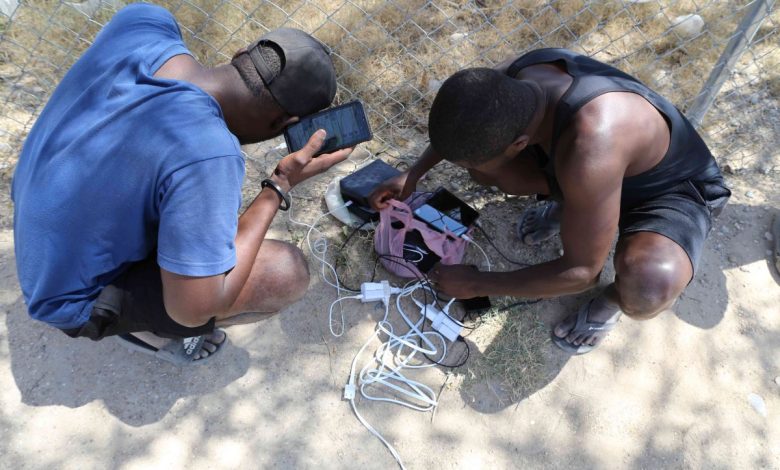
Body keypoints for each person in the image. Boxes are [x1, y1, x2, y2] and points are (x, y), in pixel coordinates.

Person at [11, 4, 352, 364]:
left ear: (240, 54)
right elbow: (194, 308)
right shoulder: (207, 151)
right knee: (284, 272)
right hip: (66, 297)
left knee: (184, 212)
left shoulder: (143, 21)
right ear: (285, 122)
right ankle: (146, 334)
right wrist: (279, 186)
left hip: (40, 234)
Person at [369, 48, 731, 355]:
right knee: (489, 172)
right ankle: (576, 208)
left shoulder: (592, 149)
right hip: (592, 173)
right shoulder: (516, 79)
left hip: (668, 192)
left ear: (519, 145)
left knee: (648, 287)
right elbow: (465, 118)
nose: (461, 169)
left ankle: (613, 298)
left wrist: (479, 284)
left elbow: (580, 274)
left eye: (463, 161)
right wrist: (414, 174)